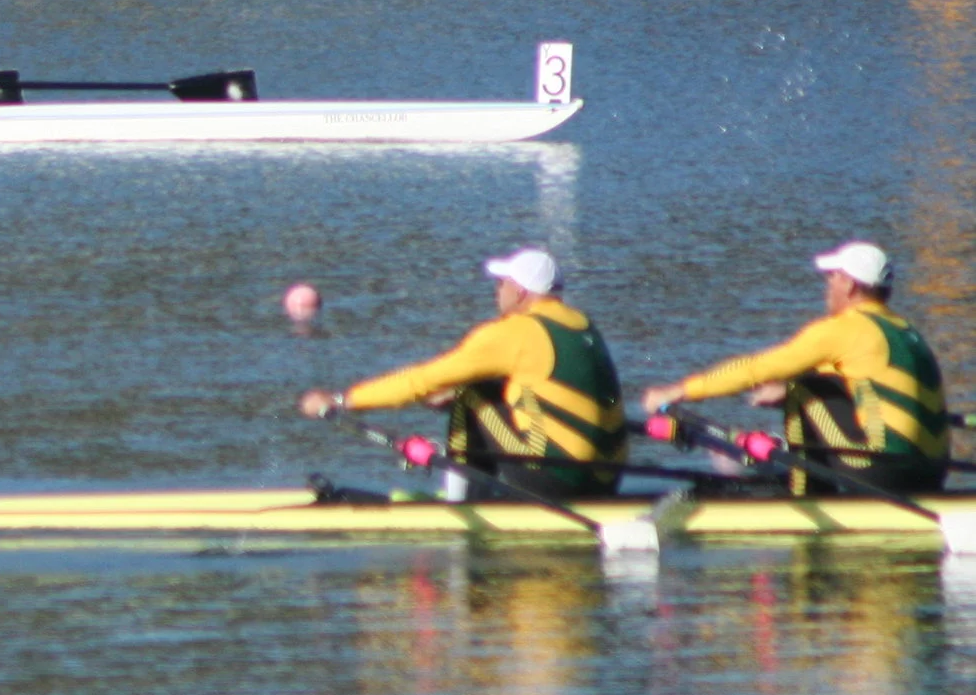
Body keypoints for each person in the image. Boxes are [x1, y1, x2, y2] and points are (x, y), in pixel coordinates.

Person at [298, 248, 627, 500]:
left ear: (521, 292)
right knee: (479, 389)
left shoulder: (516, 332)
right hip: (607, 478)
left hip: (558, 480)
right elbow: (545, 389)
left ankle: (460, 504)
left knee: (470, 394)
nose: (496, 291)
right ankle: (489, 489)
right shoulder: (582, 324)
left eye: (501, 284)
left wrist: (342, 400)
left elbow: (424, 380)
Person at [640, 242, 947, 496]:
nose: (827, 285)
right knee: (805, 384)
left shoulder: (844, 329)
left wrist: (679, 391)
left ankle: (805, 496)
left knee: (803, 390)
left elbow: (758, 369)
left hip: (884, 476)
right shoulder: (905, 331)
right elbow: (842, 376)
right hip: (933, 473)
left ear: (850, 285)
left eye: (832, 277)